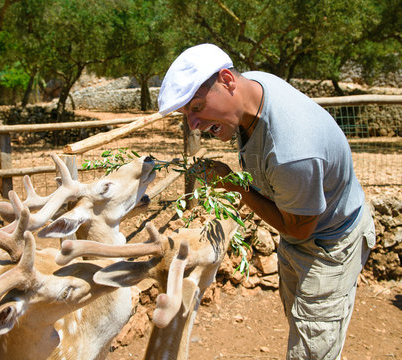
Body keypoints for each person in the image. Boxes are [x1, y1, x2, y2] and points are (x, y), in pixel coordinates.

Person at [157, 43, 376, 360]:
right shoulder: (255, 87)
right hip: (301, 233)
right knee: (308, 332)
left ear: (227, 81)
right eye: (186, 114)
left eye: (196, 107)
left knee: (311, 352)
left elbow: (299, 230)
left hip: (329, 244)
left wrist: (236, 186)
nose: (192, 124)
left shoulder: (293, 153)